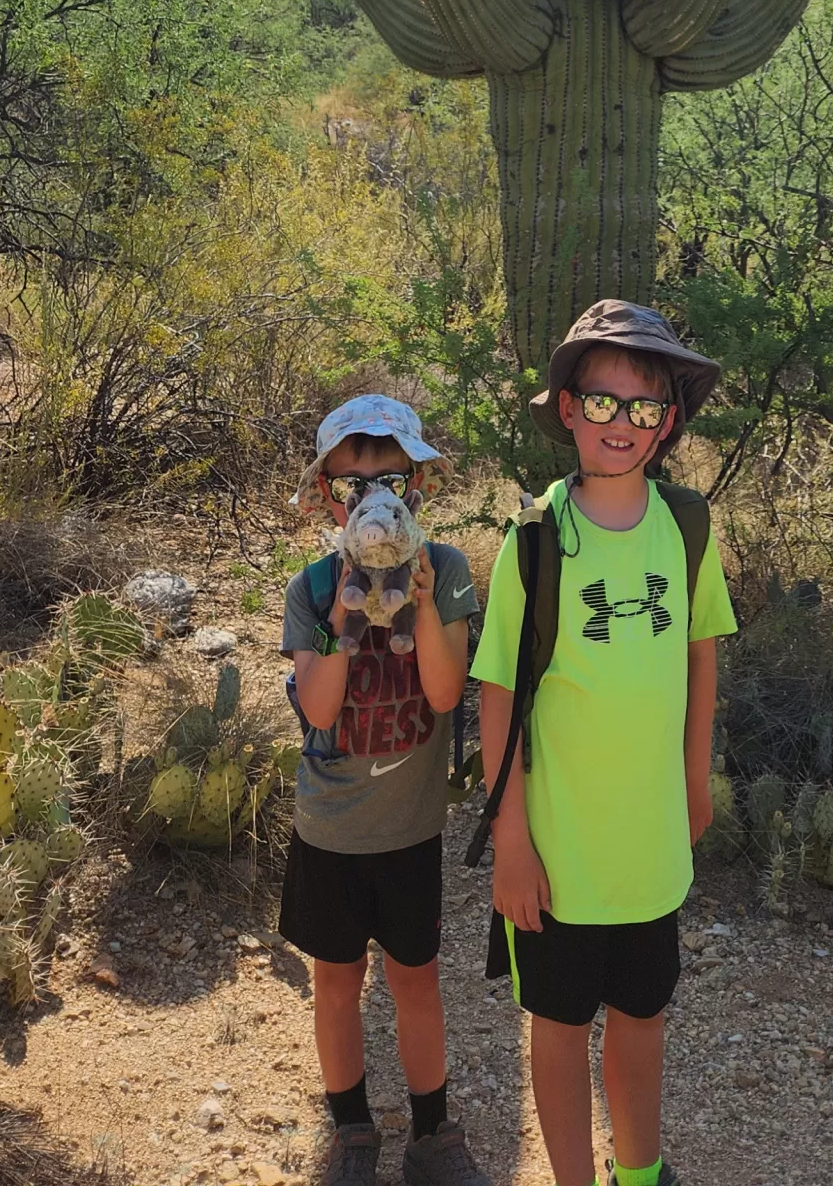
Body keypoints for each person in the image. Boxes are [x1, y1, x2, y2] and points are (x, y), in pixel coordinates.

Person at [473, 302, 737, 1186]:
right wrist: (510, 836)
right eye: (601, 402)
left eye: (641, 407)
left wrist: (696, 784)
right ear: (567, 408)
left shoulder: (689, 530)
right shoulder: (536, 538)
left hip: (649, 846)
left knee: (642, 1016)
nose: (619, 424)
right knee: (555, 1028)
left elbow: (701, 660)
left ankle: (640, 1172)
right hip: (557, 850)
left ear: (668, 423)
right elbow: (498, 691)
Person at [280, 395, 492, 1186]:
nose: (372, 497)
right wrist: (341, 615)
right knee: (336, 981)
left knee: (416, 980)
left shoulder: (453, 570)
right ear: (329, 499)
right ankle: (352, 1132)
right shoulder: (311, 587)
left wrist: (427, 597)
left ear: (418, 489)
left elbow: (442, 694)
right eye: (353, 484)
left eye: (391, 481)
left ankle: (433, 1136)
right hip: (330, 828)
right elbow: (323, 708)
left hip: (409, 830)